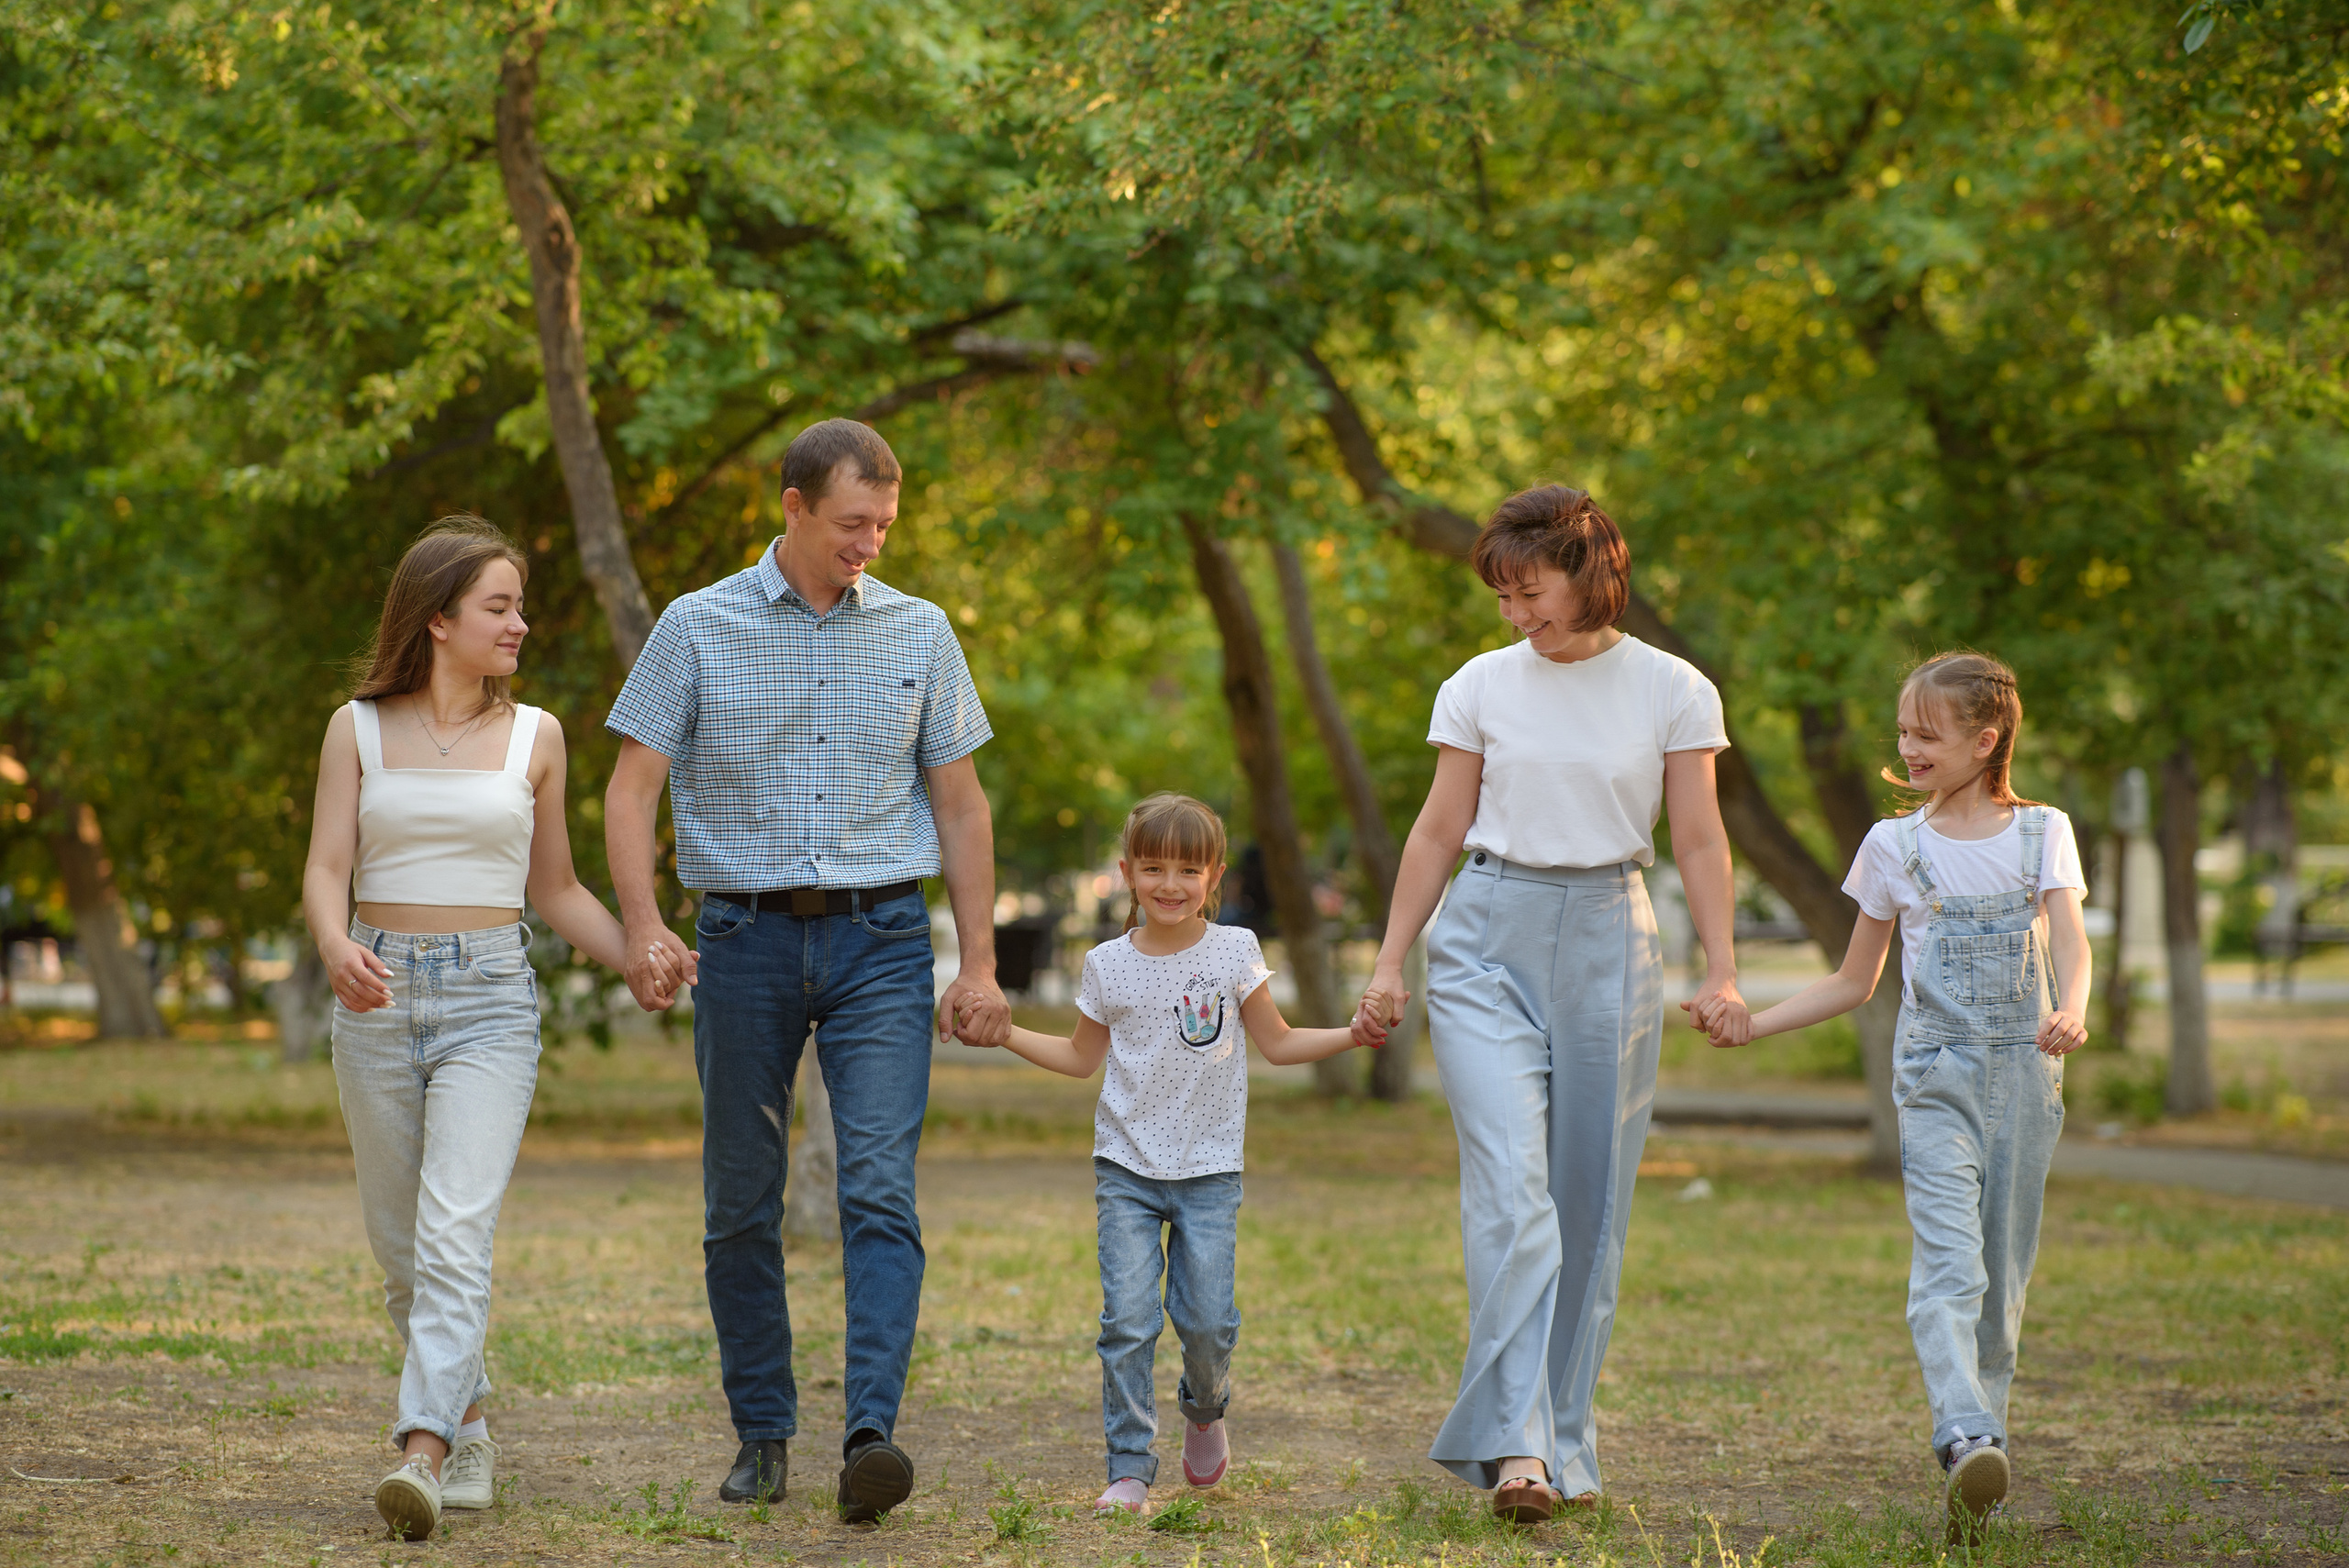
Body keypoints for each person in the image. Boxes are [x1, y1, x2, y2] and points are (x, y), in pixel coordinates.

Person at [604, 417, 1009, 1521]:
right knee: (741, 1195)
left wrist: (977, 962)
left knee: (878, 1186)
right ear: (792, 507)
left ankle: (870, 1433)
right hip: (743, 939)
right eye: (850, 523)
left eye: (884, 525)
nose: (869, 544)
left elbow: (961, 805)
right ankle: (761, 1430)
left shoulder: (922, 631)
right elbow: (631, 787)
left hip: (883, 937)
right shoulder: (696, 624)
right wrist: (641, 924)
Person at [1353, 484, 1748, 1523]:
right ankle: (1518, 1446)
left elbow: (1699, 838)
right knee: (1511, 1191)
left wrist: (1722, 967)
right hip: (1486, 936)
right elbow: (1437, 830)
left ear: (1589, 576)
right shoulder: (1479, 684)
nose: (1513, 613)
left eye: (1529, 592)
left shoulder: (1673, 687)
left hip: (1613, 939)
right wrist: (1390, 959)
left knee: (1588, 1205)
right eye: (1502, 595)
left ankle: (1564, 1438)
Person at [302, 516, 687, 1542]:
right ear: (438, 618)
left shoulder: (537, 736)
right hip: (376, 995)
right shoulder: (355, 728)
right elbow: (327, 866)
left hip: (489, 1001)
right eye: (499, 606)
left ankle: (422, 1449)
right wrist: (333, 943)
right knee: (402, 1250)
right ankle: (470, 1423)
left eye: (520, 606)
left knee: (454, 1230)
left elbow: (554, 889)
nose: (520, 623)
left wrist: (640, 950)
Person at [1708, 650, 2088, 1545]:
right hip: (1934, 1081)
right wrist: (1754, 1023)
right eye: (1903, 731)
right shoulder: (1892, 846)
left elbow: (2071, 939)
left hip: (2026, 1078)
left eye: (1928, 733)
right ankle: (1965, 1433)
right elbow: (1853, 979)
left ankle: (1980, 1476)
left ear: (1984, 739)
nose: (1908, 747)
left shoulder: (2043, 832)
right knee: (1948, 1269)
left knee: (2001, 1284)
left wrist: (2072, 1007)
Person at [959, 794, 1366, 1517]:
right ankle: (1128, 1468)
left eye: (1188, 869)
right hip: (1127, 1169)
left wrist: (1353, 1034)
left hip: (1210, 1169)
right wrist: (1007, 1033)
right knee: (1127, 1321)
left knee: (1207, 1322)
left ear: (1214, 875)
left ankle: (1204, 1409)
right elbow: (1081, 1057)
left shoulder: (1235, 950)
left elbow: (1277, 1042)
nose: (1169, 883)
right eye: (1153, 867)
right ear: (1127, 873)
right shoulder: (1106, 963)